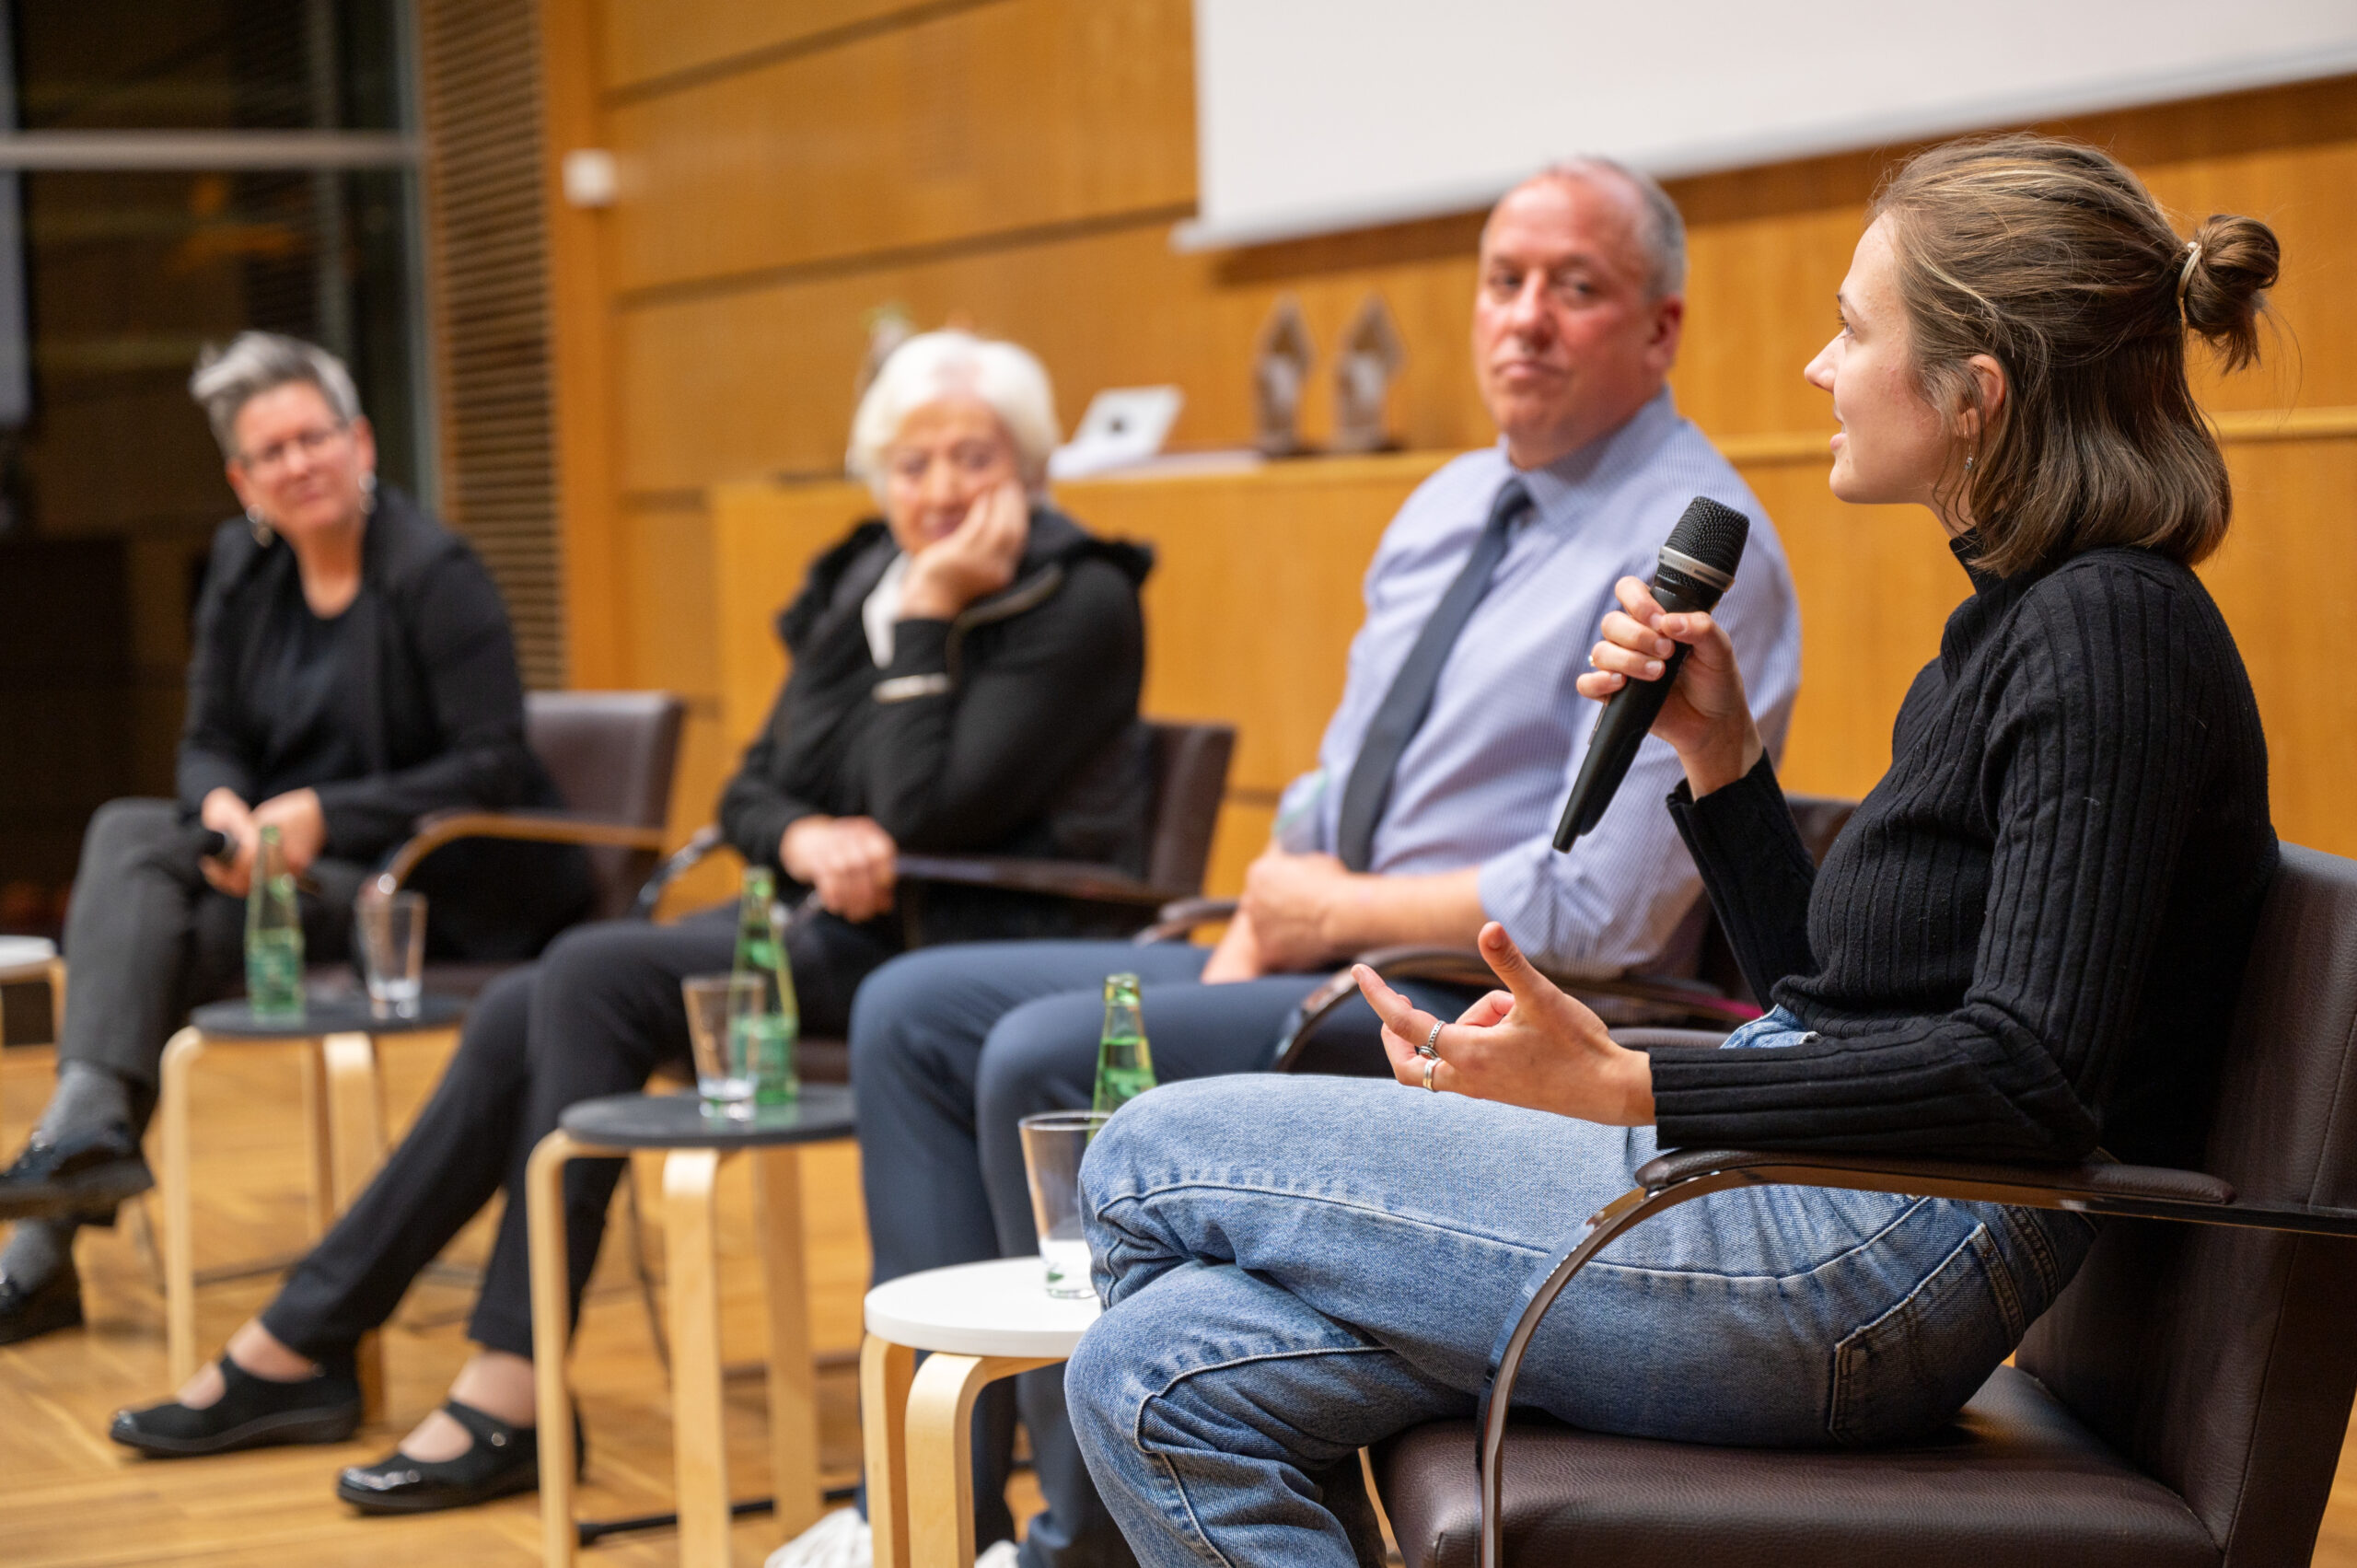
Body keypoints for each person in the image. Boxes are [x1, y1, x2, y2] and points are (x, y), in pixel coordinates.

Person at [1061, 134, 2283, 1567]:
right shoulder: (2011, 629)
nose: (1819, 371)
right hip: (1803, 1195)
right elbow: (1838, 999)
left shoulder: (2111, 631)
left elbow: (2028, 1074)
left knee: (1141, 1155)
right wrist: (1721, 760)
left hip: (1858, 1266)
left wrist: (1626, 1079)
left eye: (1849, 329)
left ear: (1975, 395)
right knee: (1148, 1376)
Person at [778, 161, 1804, 1568]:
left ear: (1662, 327)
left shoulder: (1691, 550)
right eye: (1504, 281)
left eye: (1577, 288)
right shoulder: (1445, 502)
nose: (1526, 319)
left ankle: (1081, 1539)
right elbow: (1335, 777)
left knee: (1038, 1053)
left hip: (1457, 1004)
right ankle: (932, 1513)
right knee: (913, 1011)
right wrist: (1270, 909)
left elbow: (1607, 905)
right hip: (1318, 948)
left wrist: (1334, 909)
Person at [106, 331, 1157, 1516]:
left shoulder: (1080, 596)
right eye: (910, 465)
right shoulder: (867, 575)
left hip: (971, 953)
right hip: (842, 934)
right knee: (527, 1000)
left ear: (1028, 466)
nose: (940, 491)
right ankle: (322, 1336)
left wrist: (924, 621)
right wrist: (806, 835)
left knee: (588, 972)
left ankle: (475, 1378)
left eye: (972, 458)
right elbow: (753, 787)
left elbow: (922, 810)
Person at [0, 331, 592, 1345]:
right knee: (134, 833)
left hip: (430, 888)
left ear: (360, 442)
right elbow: (208, 740)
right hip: (291, 878)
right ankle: (81, 1144)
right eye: (269, 452)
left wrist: (326, 813)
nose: (297, 464)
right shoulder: (244, 568)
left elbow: (492, 763)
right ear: (242, 479)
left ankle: (54, 1214)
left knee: (153, 928)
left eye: (313, 437)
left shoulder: (434, 571)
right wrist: (226, 810)